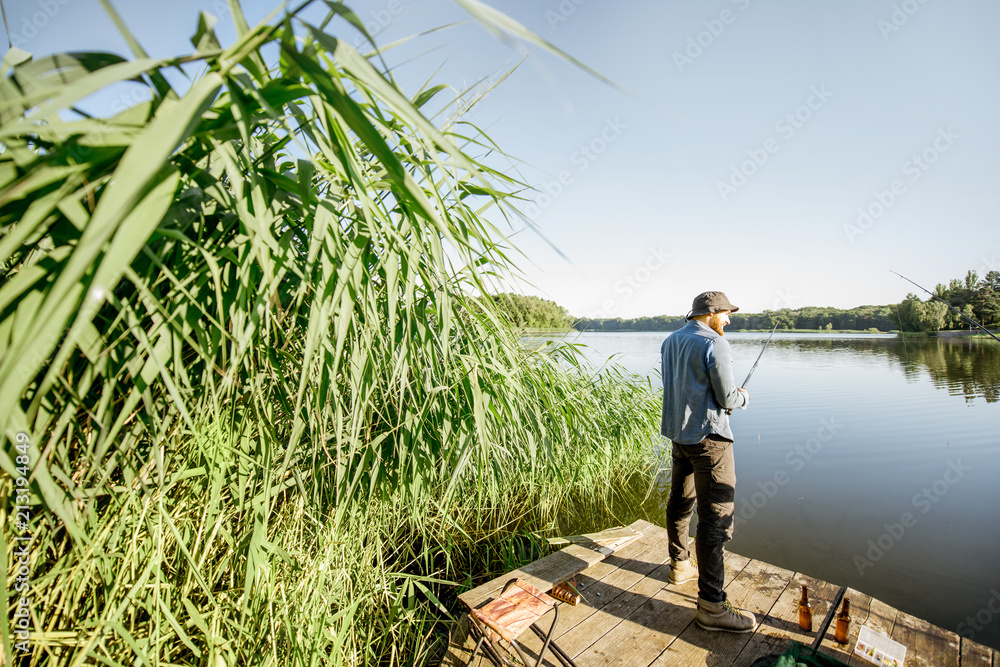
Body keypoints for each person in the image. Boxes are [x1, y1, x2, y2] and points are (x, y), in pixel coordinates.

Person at [660, 291, 757, 633]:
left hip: (679, 436)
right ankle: (713, 607)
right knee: (715, 520)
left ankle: (678, 564)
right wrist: (743, 399)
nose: (729, 320)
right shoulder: (715, 342)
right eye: (727, 314)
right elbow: (727, 396)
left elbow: (685, 387)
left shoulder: (670, 340)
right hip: (709, 441)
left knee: (681, 501)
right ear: (713, 312)